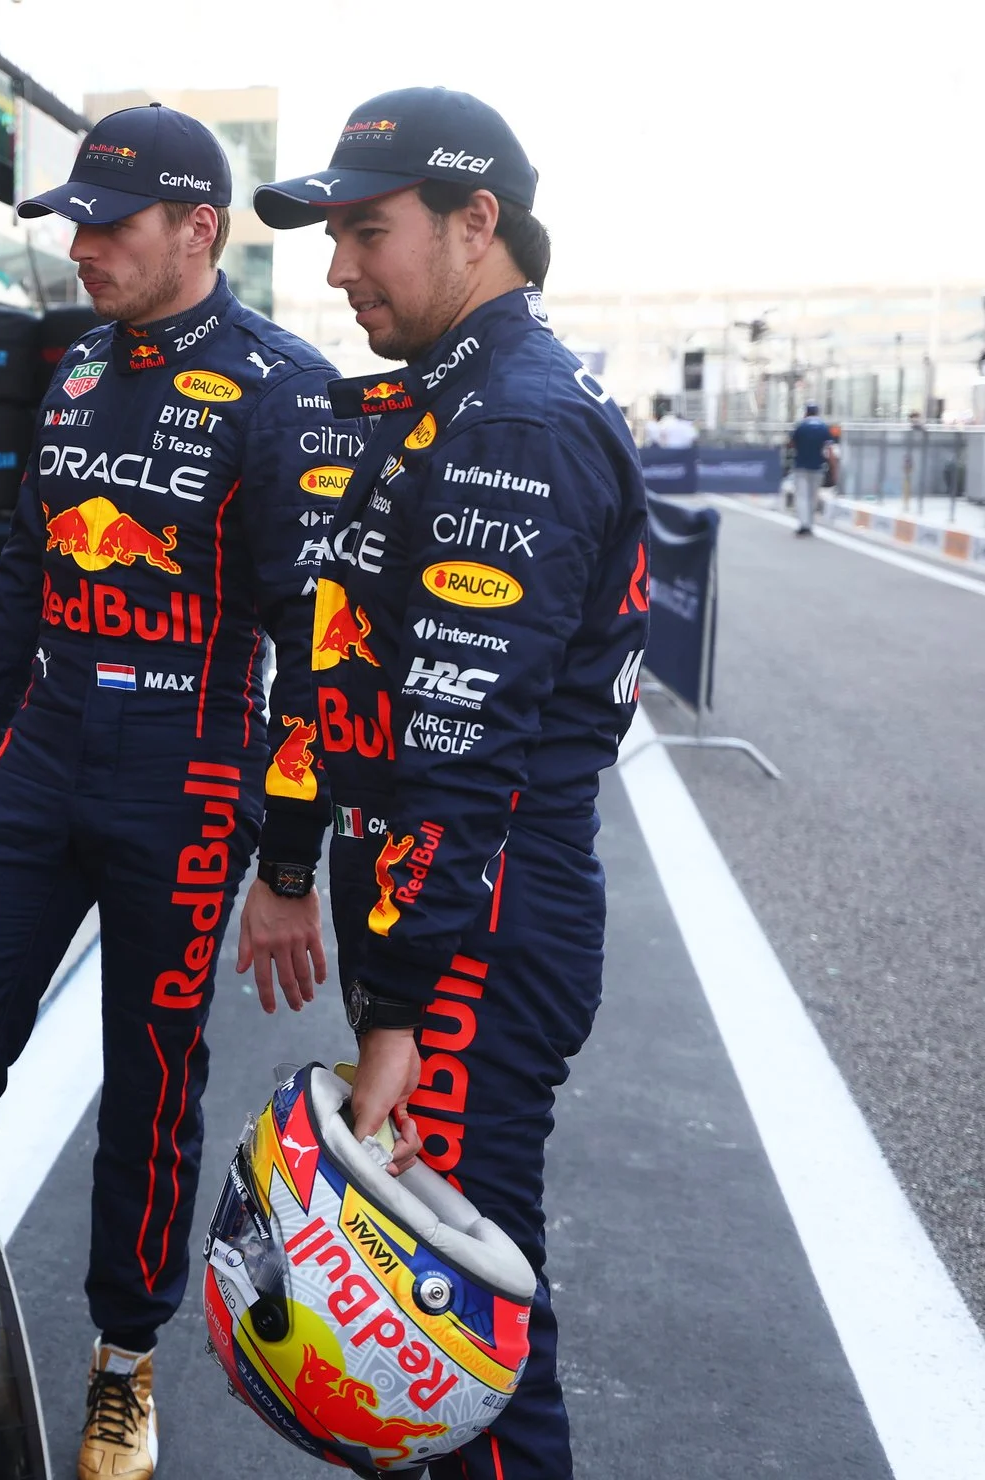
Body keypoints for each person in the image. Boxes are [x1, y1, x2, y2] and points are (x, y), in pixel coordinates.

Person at [0, 103, 348, 1478]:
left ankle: (121, 1362)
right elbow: (21, 580)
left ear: (196, 227)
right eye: (72, 224)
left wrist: (284, 867)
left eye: (110, 224)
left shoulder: (283, 389)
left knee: (151, 1085)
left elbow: (314, 643)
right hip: (43, 753)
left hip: (191, 773)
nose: (82, 247)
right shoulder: (76, 375)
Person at [253, 87, 650, 1479]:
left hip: (476, 912)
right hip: (437, 897)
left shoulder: (513, 425)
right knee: (416, 1343)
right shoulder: (454, 400)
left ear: (475, 223)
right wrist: (296, 863)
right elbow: (338, 663)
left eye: (365, 231)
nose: (336, 267)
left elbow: (459, 745)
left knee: (449, 1337)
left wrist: (400, 1007)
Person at [785, 401, 837, 534]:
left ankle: (804, 524)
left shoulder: (800, 427)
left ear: (806, 412)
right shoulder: (824, 428)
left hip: (801, 466)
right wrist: (834, 468)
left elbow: (791, 444)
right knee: (813, 497)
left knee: (802, 496)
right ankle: (810, 524)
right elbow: (829, 450)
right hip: (818, 467)